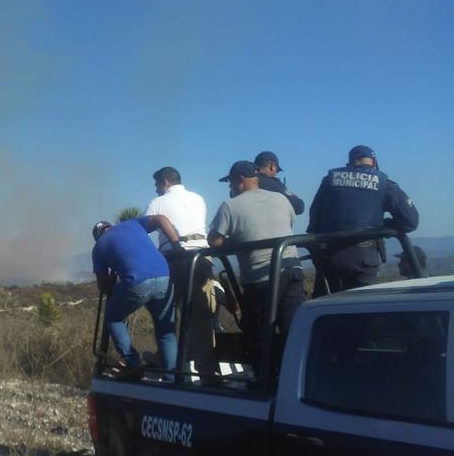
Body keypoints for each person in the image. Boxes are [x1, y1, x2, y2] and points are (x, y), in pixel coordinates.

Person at [208, 161, 306, 359]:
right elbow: (287, 223)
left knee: (259, 335)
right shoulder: (281, 199)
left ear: (240, 180)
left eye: (230, 183)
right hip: (293, 270)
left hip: (261, 279)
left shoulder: (230, 205)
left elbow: (214, 240)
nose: (230, 187)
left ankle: (264, 383)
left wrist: (235, 238)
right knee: (293, 330)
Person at [308, 145, 419, 291]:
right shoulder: (383, 183)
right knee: (359, 305)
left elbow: (314, 218)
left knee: (329, 303)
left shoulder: (330, 179)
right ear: (373, 162)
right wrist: (384, 226)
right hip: (363, 258)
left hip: (329, 255)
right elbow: (410, 222)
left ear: (349, 163)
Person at [143, 166, 218, 378]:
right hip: (202, 258)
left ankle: (168, 364)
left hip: (174, 260)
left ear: (165, 182)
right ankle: (207, 372)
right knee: (201, 317)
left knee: (167, 313)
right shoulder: (198, 198)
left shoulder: (157, 203)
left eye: (157, 184)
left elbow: (143, 229)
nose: (156, 189)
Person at [92, 215, 183, 373]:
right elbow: (161, 218)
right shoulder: (133, 224)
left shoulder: (99, 246)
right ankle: (172, 378)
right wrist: (176, 245)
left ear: (98, 236)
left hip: (136, 282)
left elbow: (103, 286)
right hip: (164, 276)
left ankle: (133, 364)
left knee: (113, 317)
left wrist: (112, 282)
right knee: (165, 331)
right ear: (110, 227)